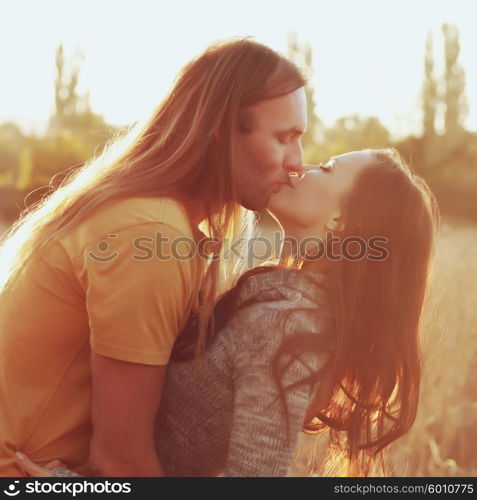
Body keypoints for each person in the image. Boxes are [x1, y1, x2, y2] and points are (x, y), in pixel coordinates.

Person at [17, 148, 439, 477]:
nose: (300, 166)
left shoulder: (287, 323)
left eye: (326, 169)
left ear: (341, 221)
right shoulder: (282, 299)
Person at [0, 38, 308, 476]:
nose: (298, 163)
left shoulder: (168, 225)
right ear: (220, 128)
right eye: (284, 138)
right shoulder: (149, 234)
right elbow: (119, 460)